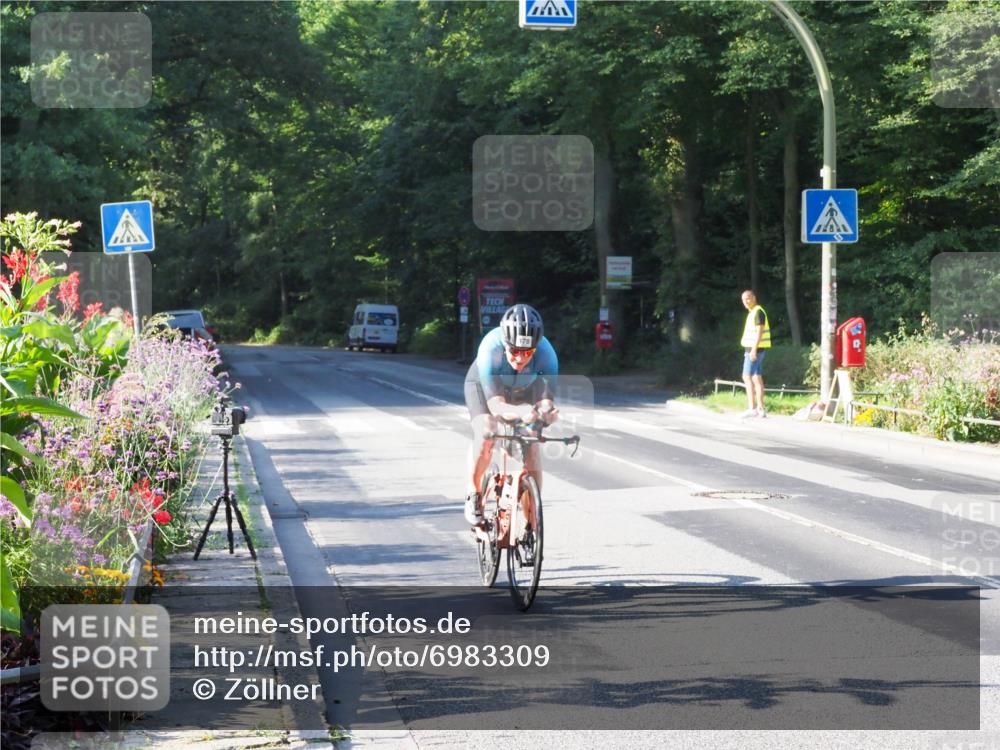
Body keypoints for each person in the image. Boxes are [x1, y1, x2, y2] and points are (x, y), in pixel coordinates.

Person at [463, 304, 559, 525]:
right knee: (487, 431)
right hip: (484, 386)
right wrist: (522, 411)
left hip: (524, 387)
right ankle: (474, 492)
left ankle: (531, 524)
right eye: (515, 351)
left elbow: (544, 400)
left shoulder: (547, 354)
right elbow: (496, 406)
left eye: (528, 352)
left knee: (532, 446)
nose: (520, 358)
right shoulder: (490, 349)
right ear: (505, 344)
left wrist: (546, 412)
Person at [740, 289, 771, 418]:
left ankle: (752, 408)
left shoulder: (758, 312)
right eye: (743, 300)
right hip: (756, 349)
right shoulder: (753, 312)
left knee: (746, 377)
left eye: (748, 298)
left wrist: (753, 349)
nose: (746, 301)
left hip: (754, 350)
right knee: (756, 378)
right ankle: (760, 408)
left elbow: (760, 331)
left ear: (754, 298)